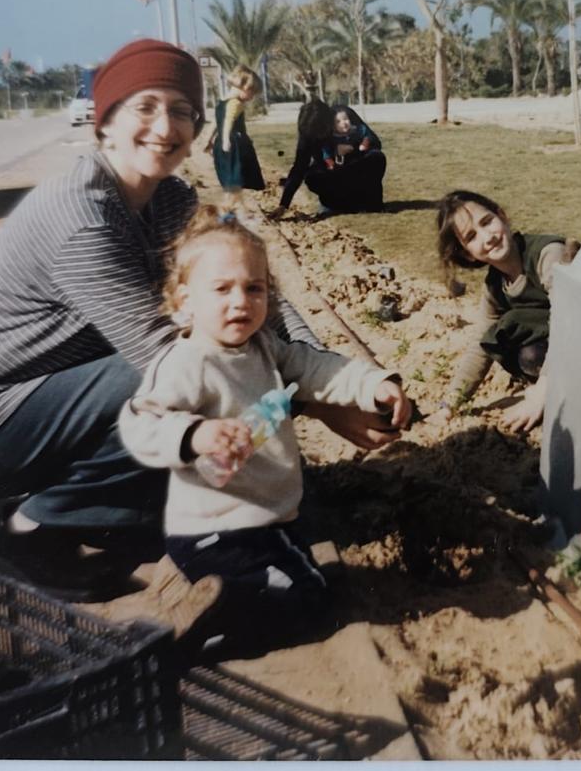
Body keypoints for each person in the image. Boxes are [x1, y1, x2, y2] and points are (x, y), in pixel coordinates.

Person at [0, 39, 401, 599]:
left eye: (181, 111)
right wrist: (312, 400)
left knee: (211, 353)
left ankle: (112, 507)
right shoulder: (79, 215)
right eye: (144, 107)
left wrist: (334, 378)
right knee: (178, 372)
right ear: (106, 123)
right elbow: (163, 351)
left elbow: (256, 289)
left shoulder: (168, 198)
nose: (164, 127)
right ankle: (32, 532)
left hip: (45, 398)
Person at [118, 207, 412, 652]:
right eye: (221, 289)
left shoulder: (263, 347)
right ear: (184, 302)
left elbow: (316, 367)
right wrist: (194, 435)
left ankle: (209, 589)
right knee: (311, 599)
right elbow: (142, 420)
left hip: (262, 518)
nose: (241, 302)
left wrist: (373, 385)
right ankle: (214, 627)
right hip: (217, 528)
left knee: (304, 571)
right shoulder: (188, 362)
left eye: (254, 288)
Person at [428, 189, 564, 433]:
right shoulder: (495, 285)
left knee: (530, 351)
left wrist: (543, 392)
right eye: (471, 236)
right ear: (467, 253)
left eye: (487, 222)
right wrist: (449, 404)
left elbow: (570, 323)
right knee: (516, 346)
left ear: (502, 216)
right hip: (551, 355)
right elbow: (480, 344)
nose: (487, 237)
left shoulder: (548, 255)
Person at [271, 99, 387, 218]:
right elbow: (299, 167)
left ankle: (370, 202)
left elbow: (375, 142)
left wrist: (351, 148)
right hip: (331, 172)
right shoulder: (308, 131)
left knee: (376, 157)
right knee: (312, 177)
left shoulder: (343, 115)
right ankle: (336, 205)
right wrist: (283, 205)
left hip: (355, 165)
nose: (318, 137)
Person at [207, 66, 264, 193]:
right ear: (245, 88)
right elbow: (228, 120)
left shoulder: (222, 101)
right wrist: (227, 140)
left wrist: (209, 140)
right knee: (236, 177)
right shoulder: (236, 103)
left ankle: (233, 203)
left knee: (228, 178)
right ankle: (234, 205)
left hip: (220, 142)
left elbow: (215, 123)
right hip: (234, 144)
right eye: (252, 93)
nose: (252, 97)